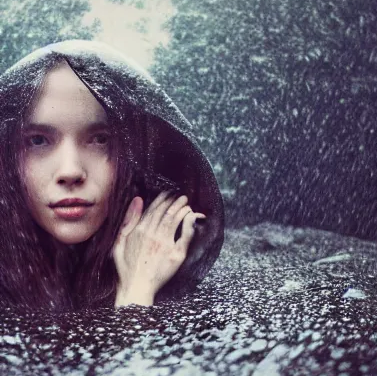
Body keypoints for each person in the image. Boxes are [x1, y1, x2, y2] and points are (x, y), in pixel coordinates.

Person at [0, 40, 224, 312]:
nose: (70, 171)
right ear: (7, 157)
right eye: (37, 140)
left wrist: (139, 287)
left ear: (133, 155)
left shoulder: (181, 281)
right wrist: (136, 297)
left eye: (99, 140)